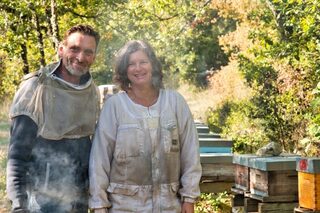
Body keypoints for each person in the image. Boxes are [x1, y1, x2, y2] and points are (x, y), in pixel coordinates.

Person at [89, 40, 202, 213]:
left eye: (143, 62)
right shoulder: (114, 107)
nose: (138, 68)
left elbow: (190, 153)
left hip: (170, 206)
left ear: (153, 66)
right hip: (124, 207)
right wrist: (99, 205)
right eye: (131, 64)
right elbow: (99, 159)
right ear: (124, 71)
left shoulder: (175, 102)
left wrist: (189, 197)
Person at [6, 24, 100, 213]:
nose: (80, 57)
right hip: (42, 203)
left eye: (88, 52)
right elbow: (17, 156)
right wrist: (18, 206)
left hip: (79, 201)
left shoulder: (92, 92)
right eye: (74, 49)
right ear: (61, 50)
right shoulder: (36, 88)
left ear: (94, 57)